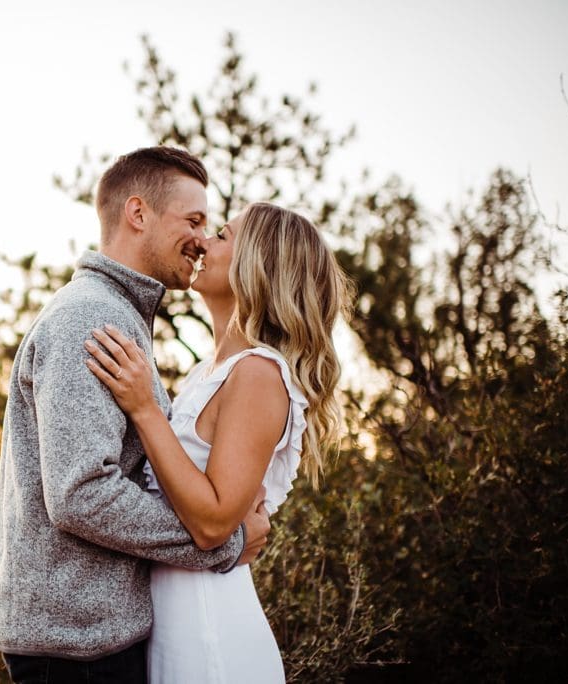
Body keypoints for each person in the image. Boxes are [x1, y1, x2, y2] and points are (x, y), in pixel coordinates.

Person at [0, 147, 272, 683]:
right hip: (75, 650)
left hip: (91, 638)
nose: (200, 238)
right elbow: (82, 493)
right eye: (192, 220)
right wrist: (220, 546)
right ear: (138, 214)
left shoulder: (118, 313)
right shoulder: (91, 317)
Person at [84, 202, 352, 682]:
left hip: (208, 636)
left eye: (223, 236)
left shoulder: (258, 373)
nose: (203, 242)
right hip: (168, 624)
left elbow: (211, 523)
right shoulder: (205, 375)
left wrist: (145, 409)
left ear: (259, 268)